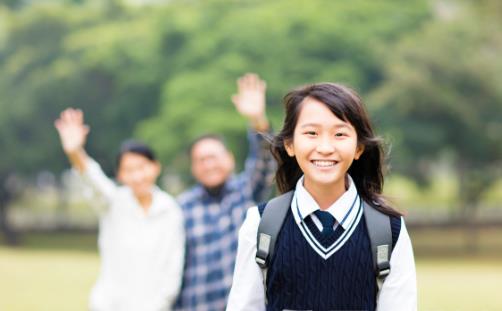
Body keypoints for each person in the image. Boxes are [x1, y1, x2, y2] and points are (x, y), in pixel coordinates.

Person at [226, 83, 417, 310]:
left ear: (358, 148)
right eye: (311, 133)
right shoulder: (260, 224)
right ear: (289, 144)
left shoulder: (389, 229)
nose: (325, 147)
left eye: (339, 134)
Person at [54, 108, 185, 311]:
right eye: (129, 170)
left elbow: (173, 268)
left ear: (155, 167)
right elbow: (93, 180)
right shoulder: (113, 202)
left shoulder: (170, 210)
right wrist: (75, 153)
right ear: (121, 175)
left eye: (142, 167)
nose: (137, 176)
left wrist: (160, 305)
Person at [174, 73, 276, 311]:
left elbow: (265, 158)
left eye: (213, 157)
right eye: (201, 160)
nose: (208, 165)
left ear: (229, 159)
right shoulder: (182, 207)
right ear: (193, 167)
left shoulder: (246, 191)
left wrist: (257, 120)